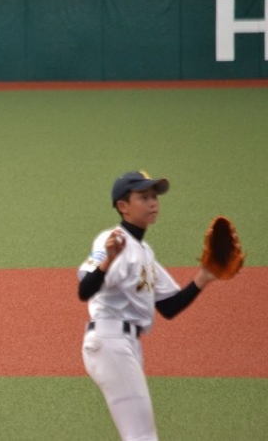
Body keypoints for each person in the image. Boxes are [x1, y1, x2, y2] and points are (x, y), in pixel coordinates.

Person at [77, 170, 216, 441]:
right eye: (143, 197)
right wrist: (108, 261)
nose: (153, 203)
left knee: (139, 435)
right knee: (141, 436)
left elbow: (168, 307)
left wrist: (204, 276)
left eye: (154, 197)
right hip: (110, 340)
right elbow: (85, 290)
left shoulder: (144, 252)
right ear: (123, 206)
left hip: (125, 344)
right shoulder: (113, 240)